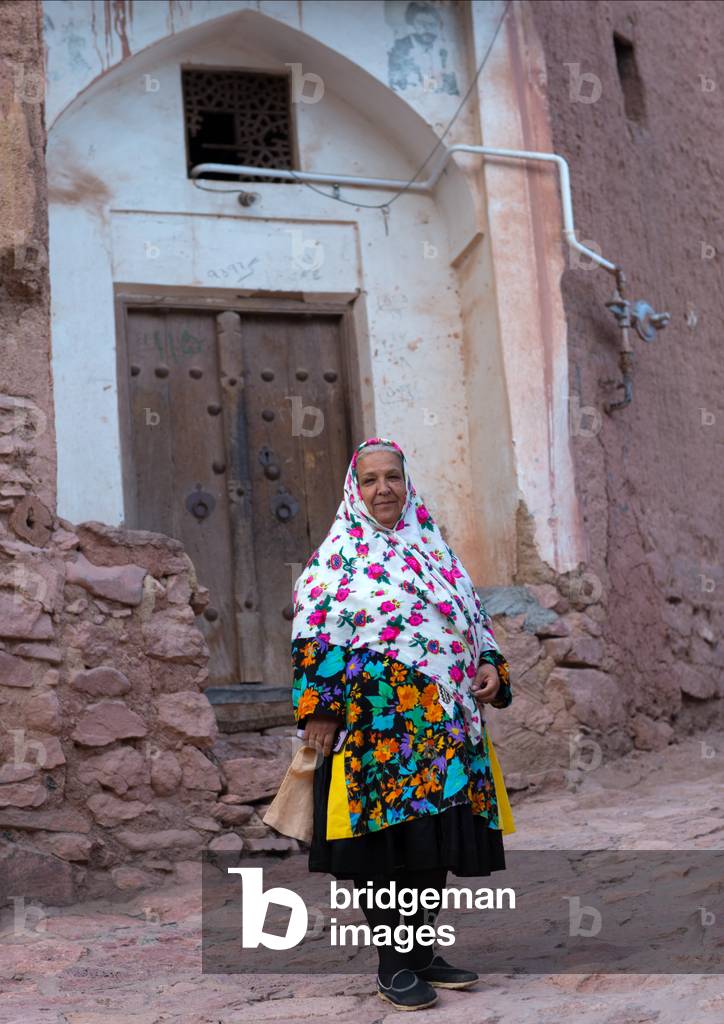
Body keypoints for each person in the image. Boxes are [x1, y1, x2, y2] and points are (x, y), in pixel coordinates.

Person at [290, 436, 514, 1011]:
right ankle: (393, 964)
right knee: (381, 844)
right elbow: (316, 631)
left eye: (392, 477)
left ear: (406, 483)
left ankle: (422, 954)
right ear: (354, 489)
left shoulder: (436, 553)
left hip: (444, 726)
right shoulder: (336, 561)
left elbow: (474, 620)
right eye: (370, 480)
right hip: (373, 729)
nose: (383, 488)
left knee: (431, 841)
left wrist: (489, 663)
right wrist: (319, 706)